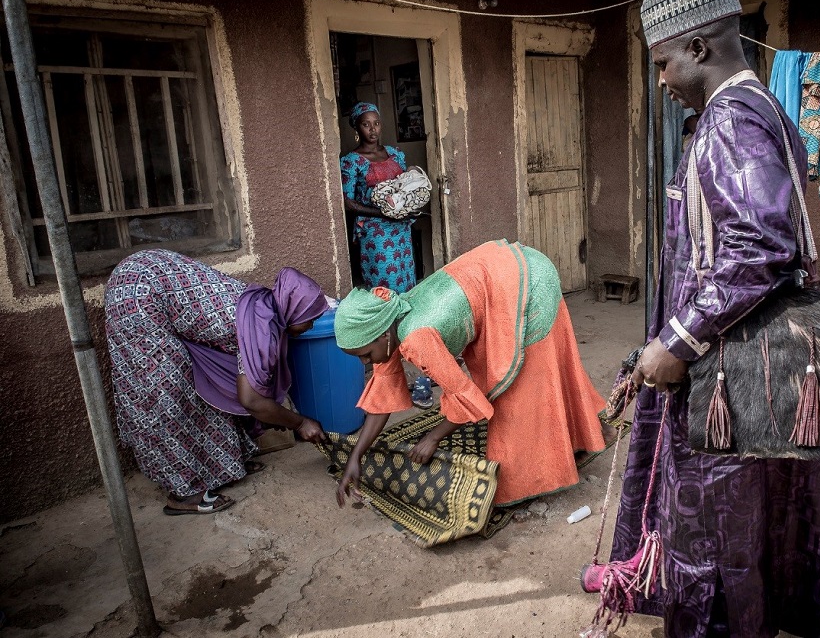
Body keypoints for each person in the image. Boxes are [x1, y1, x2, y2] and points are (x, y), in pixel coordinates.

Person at [599, 0, 820, 637]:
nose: (662, 81)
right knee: (751, 516)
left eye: (664, 63)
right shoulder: (758, 111)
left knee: (711, 528)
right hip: (758, 356)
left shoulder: (731, 123)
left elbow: (756, 247)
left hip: (731, 370)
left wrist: (678, 341)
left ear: (699, 48)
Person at [332, 239, 610, 508]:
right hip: (503, 274)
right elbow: (383, 396)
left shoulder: (416, 339)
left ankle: (536, 477)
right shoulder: (390, 319)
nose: (366, 362)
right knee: (532, 380)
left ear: (383, 336)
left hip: (528, 282)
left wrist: (432, 438)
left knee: (521, 392)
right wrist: (357, 456)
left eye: (365, 355)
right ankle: (579, 435)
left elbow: (467, 396)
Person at [105, 249, 329, 515]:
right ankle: (183, 493)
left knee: (210, 382)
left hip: (154, 275)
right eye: (310, 320)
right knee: (167, 389)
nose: (311, 327)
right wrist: (300, 422)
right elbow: (253, 401)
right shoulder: (259, 330)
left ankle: (224, 466)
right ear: (294, 312)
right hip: (137, 295)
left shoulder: (265, 304)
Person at [340, 101, 432, 409]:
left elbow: (405, 187)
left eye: (376, 123)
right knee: (386, 297)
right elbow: (349, 203)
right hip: (377, 240)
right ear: (357, 128)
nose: (373, 130)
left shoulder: (396, 155)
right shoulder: (352, 162)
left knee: (409, 294)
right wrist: (382, 215)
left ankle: (419, 365)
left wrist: (406, 208)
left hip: (401, 235)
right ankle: (391, 370)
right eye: (366, 125)